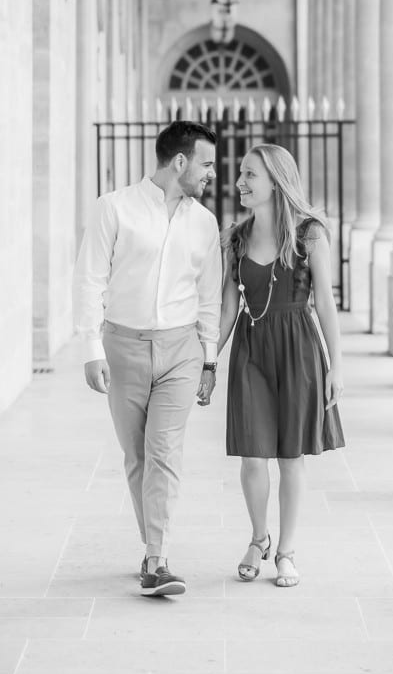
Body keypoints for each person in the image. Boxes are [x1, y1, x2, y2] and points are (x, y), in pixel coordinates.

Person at [73, 121, 222, 597]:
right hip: (123, 347)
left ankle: (156, 559)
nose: (211, 174)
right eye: (206, 163)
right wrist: (91, 348)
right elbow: (90, 279)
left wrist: (209, 359)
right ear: (179, 162)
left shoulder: (205, 222)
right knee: (137, 457)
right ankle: (150, 546)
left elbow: (208, 296)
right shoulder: (113, 208)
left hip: (181, 349)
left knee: (163, 453)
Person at [198, 143, 345, 589]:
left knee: (290, 455)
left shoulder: (310, 234)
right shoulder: (235, 237)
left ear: (276, 181)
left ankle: (286, 550)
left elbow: (326, 303)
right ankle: (258, 538)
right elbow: (226, 310)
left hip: (299, 348)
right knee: (252, 453)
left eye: (249, 175)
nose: (239, 182)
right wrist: (208, 363)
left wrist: (336, 366)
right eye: (240, 174)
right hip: (251, 349)